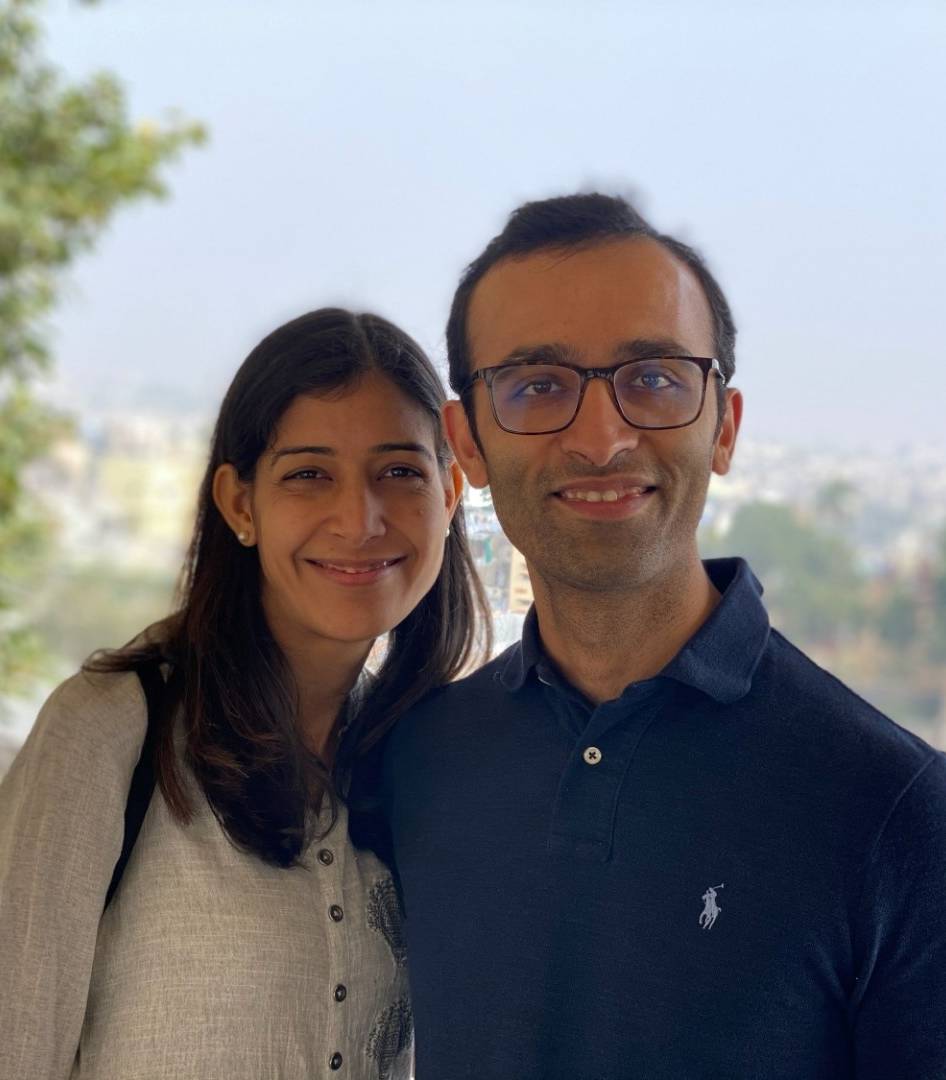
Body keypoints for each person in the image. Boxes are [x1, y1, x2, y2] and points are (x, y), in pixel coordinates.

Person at [373, 195, 946, 1078]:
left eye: (653, 378)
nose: (601, 439)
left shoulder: (894, 811)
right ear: (469, 445)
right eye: (538, 386)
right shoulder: (417, 761)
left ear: (724, 426)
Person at [0, 307, 488, 1080]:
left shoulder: (422, 762)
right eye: (308, 474)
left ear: (451, 493)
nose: (359, 519)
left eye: (399, 472)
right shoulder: (111, 729)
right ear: (239, 504)